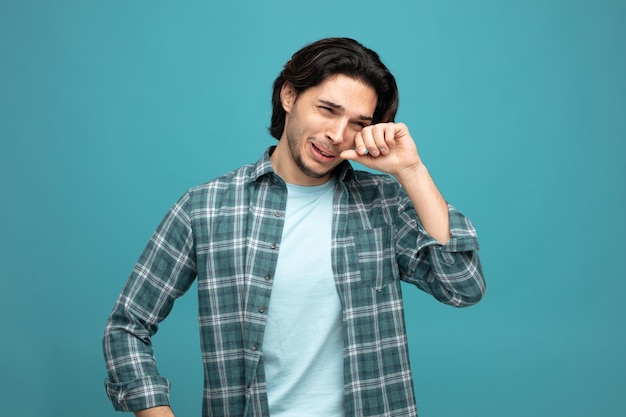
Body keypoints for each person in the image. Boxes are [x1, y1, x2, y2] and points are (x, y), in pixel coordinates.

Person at [103, 37, 486, 417]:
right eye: (327, 109)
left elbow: (462, 286)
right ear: (289, 95)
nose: (337, 135)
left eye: (358, 123)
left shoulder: (383, 203)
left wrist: (411, 170)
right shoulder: (206, 207)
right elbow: (127, 326)